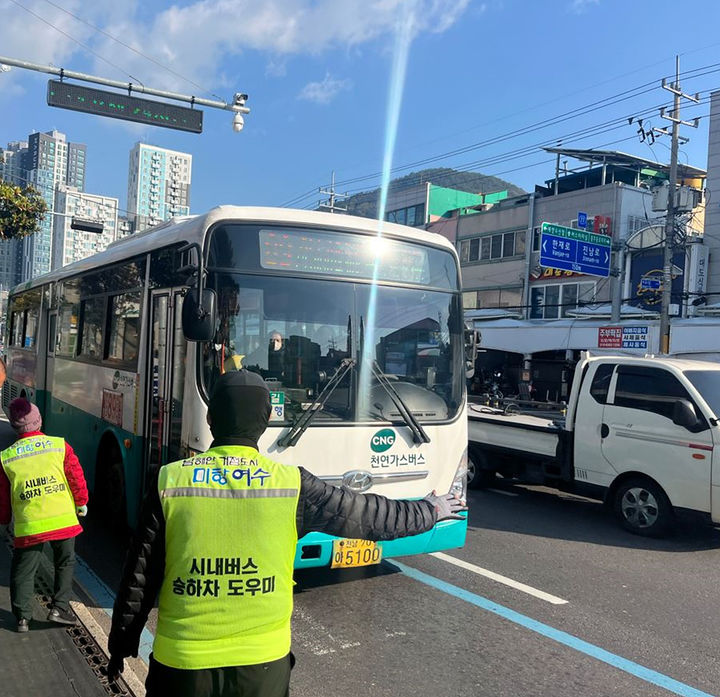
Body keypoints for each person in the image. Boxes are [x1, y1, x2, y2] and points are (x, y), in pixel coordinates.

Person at [107, 370, 466, 697]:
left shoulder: (170, 479)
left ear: (211, 419)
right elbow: (371, 518)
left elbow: (139, 577)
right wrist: (430, 510)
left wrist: (121, 646)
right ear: (264, 425)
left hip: (182, 666)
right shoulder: (293, 485)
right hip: (262, 667)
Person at [0, 398, 89, 632]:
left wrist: (4, 520)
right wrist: (81, 503)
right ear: (39, 421)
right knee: (65, 561)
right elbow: (75, 476)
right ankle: (59, 608)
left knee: (23, 569)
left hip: (30, 524)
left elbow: (3, 495)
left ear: (14, 426)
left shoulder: (7, 457)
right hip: (63, 519)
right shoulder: (59, 446)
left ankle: (22, 617)